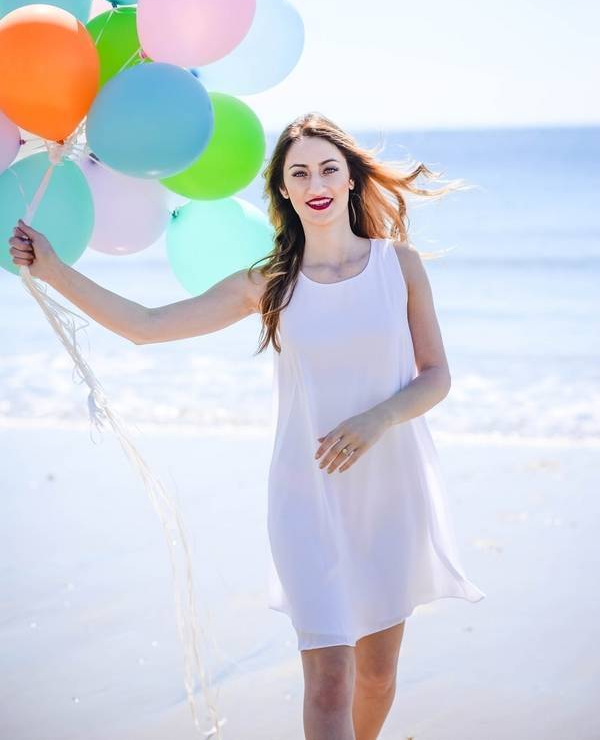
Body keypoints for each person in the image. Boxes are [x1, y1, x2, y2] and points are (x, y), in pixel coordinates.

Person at [8, 112, 485, 740]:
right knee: (330, 682)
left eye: (327, 168)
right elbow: (149, 325)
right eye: (298, 172)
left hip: (390, 492)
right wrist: (53, 269)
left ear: (349, 178)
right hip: (306, 496)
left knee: (376, 674)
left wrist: (377, 419)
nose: (315, 181)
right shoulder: (270, 283)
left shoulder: (400, 266)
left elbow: (437, 375)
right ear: (284, 191)